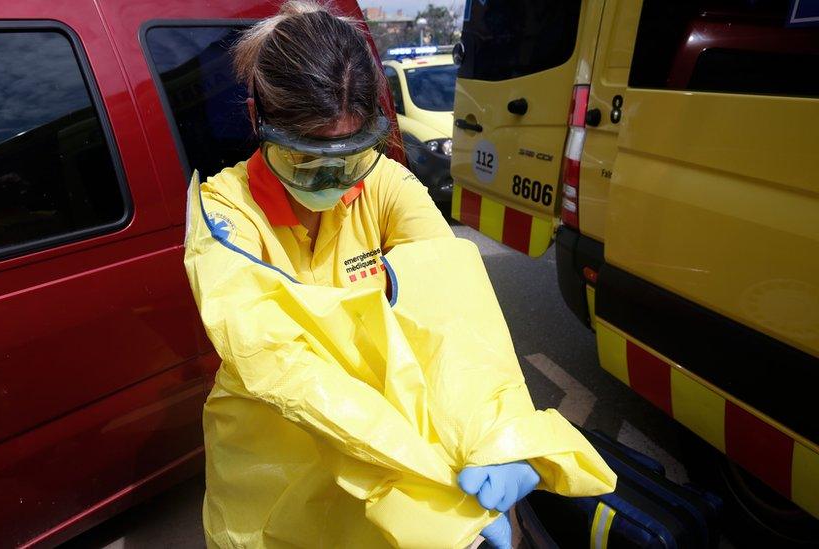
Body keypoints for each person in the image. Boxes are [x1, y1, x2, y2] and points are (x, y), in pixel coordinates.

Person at [183, 2, 616, 548]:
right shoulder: (224, 215)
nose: (333, 182)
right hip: (278, 455)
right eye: (306, 160)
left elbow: (456, 308)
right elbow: (280, 362)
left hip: (394, 453)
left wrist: (498, 430)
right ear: (256, 120)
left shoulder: (387, 185)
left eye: (352, 156)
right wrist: (417, 467)